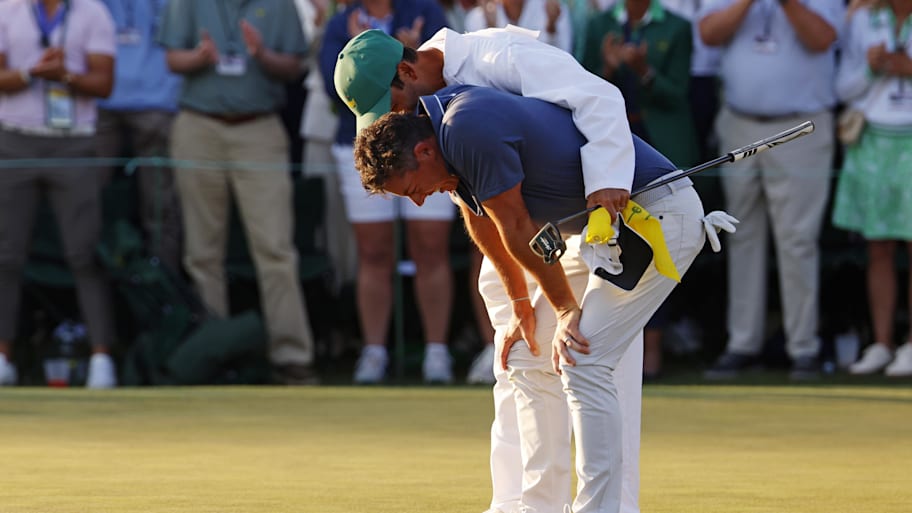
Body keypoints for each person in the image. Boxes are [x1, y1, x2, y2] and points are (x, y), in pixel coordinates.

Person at [333, 27, 654, 513]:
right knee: (516, 365)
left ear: (407, 71)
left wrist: (608, 183)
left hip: (591, 220)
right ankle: (522, 504)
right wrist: (520, 298)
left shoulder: (502, 54)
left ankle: (613, 507)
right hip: (517, 232)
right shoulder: (429, 114)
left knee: (598, 368)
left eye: (390, 106)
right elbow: (470, 193)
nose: (393, 122)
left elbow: (600, 96)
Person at [157, 0, 319, 385]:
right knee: (202, 253)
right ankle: (211, 354)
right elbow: (171, 59)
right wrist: (199, 57)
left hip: (258, 127)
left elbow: (293, 67)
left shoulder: (280, 6)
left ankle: (292, 358)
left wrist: (262, 54)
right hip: (199, 125)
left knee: (276, 249)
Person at [699, 0, 844, 381]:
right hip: (740, 122)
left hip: (801, 126)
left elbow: (824, 38)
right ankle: (742, 344)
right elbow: (708, 33)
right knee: (739, 233)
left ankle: (804, 348)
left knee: (797, 239)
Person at [319, 0, 455, 384]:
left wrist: (407, 48)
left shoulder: (425, 10)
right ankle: (374, 352)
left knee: (430, 248)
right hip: (359, 145)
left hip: (428, 146)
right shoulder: (340, 23)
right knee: (373, 252)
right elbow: (337, 94)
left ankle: (436, 353)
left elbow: (431, 73)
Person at [0, 0, 118, 388]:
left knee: (84, 253)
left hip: (74, 144)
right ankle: (3, 357)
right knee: (6, 254)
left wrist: (66, 75)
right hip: (14, 142)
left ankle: (102, 359)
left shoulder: (93, 13)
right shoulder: (8, 10)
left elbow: (104, 83)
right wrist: (32, 73)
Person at [832, 0, 912, 377]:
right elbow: (843, 87)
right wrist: (871, 67)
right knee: (878, 247)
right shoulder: (864, 19)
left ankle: (911, 345)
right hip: (873, 141)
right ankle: (882, 344)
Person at [95, 0, 183, 273]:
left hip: (156, 105)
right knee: (85, 200)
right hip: (100, 103)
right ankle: (90, 288)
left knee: (160, 207)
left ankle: (163, 289)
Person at [465, 0, 573, 53]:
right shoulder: (478, 17)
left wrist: (551, 27)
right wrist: (491, 29)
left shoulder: (552, 9)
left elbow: (563, 56)